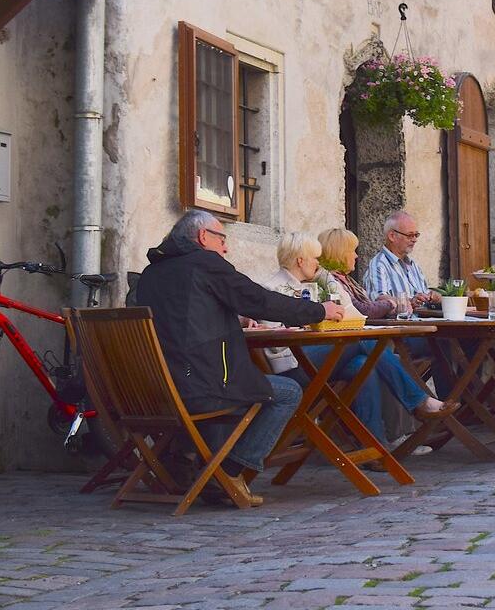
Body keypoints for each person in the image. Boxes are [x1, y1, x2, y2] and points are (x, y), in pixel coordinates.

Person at [125, 210, 344, 499]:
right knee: (288, 391)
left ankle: (186, 463)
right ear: (204, 237)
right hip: (197, 389)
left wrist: (233, 320)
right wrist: (319, 310)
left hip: (153, 391)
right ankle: (227, 471)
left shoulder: (153, 273)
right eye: (222, 239)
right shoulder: (205, 263)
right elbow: (258, 300)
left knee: (232, 381)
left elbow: (182, 318)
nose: (226, 248)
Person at [262, 232, 452, 447]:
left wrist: (325, 276)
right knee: (361, 341)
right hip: (292, 366)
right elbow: (275, 345)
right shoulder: (272, 288)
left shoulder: (312, 285)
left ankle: (374, 447)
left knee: (364, 365)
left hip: (316, 357)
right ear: (300, 260)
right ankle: (419, 401)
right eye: (316, 259)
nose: (318, 263)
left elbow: (352, 315)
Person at [363, 210, 439, 306]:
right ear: (392, 236)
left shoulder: (413, 265)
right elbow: (380, 300)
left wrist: (433, 297)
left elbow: (424, 295)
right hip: (400, 321)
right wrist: (410, 302)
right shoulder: (379, 264)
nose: (414, 240)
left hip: (422, 319)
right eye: (410, 235)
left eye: (416, 235)